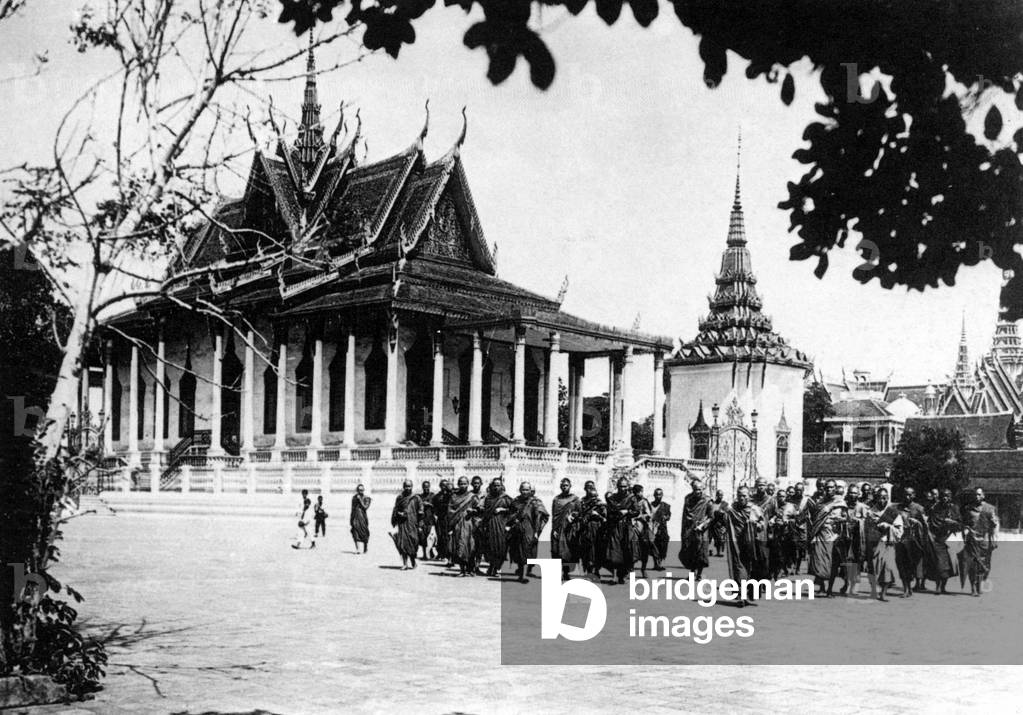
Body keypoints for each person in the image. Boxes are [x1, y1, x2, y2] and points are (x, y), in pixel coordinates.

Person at [715, 485, 768, 607]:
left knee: (752, 568)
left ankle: (750, 593)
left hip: (751, 543)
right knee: (739, 567)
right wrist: (721, 513)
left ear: (748, 496)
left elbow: (762, 523)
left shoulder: (754, 509)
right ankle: (741, 596)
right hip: (736, 542)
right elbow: (723, 518)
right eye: (739, 495)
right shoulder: (733, 508)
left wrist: (756, 525)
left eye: (744, 495)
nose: (741, 498)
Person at [800, 479, 847, 597]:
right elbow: (815, 518)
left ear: (835, 488)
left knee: (833, 563)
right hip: (821, 534)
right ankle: (822, 586)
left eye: (831, 487)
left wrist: (840, 520)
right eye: (827, 488)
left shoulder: (840, 502)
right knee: (820, 561)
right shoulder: (821, 502)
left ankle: (830, 589)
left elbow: (846, 518)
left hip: (835, 536)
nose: (829, 490)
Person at [864, 487, 903, 601]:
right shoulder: (871, 512)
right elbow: (866, 529)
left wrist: (889, 527)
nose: (882, 500)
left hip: (887, 543)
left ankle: (883, 593)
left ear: (888, 498)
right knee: (873, 569)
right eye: (880, 497)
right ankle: (874, 591)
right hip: (874, 544)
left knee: (888, 568)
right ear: (876, 498)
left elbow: (899, 530)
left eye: (884, 498)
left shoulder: (893, 512)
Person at [959, 487, 999, 597]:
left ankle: (979, 584)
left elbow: (995, 525)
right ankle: (973, 588)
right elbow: (965, 524)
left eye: (979, 494)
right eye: (975, 494)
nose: (977, 497)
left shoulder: (990, 509)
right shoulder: (968, 509)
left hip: (985, 541)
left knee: (984, 566)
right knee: (972, 564)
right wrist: (965, 533)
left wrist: (995, 540)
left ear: (983, 495)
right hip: (972, 540)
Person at [507, 482, 549, 583]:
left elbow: (543, 516)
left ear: (530, 491)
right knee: (517, 552)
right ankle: (521, 574)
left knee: (526, 551)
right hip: (517, 530)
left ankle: (524, 574)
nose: (525, 492)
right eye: (523, 490)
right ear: (520, 490)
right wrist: (514, 519)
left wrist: (537, 530)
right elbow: (510, 514)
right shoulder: (516, 501)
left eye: (527, 490)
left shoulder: (535, 502)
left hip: (529, 530)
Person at [604, 476, 642, 584]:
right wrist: (615, 513)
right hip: (615, 526)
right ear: (617, 487)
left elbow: (636, 511)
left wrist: (627, 512)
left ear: (627, 487)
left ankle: (624, 574)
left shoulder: (632, 498)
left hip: (627, 526)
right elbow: (609, 512)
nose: (622, 489)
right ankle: (614, 575)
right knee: (615, 550)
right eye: (620, 486)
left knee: (628, 549)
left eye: (624, 486)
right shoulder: (613, 498)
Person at [835, 484, 868, 595]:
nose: (852, 495)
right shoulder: (843, 506)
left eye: (855, 493)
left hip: (857, 539)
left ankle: (855, 585)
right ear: (847, 494)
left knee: (857, 561)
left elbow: (866, 521)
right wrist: (841, 520)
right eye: (851, 493)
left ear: (858, 494)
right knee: (845, 562)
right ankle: (847, 583)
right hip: (845, 538)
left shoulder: (862, 507)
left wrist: (857, 520)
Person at [678, 480, 714, 580]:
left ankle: (699, 574)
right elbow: (685, 514)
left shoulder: (708, 500)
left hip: (702, 530)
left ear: (703, 489)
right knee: (690, 551)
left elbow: (711, 517)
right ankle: (692, 572)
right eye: (695, 490)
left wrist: (702, 525)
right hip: (690, 529)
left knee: (701, 552)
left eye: (699, 489)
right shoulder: (688, 499)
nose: (698, 492)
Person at [897, 486, 929, 596]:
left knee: (911, 565)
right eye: (905, 494)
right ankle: (906, 588)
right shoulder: (897, 508)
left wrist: (917, 522)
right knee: (901, 564)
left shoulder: (919, 508)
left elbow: (926, 527)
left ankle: (911, 587)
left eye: (910, 494)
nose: (907, 497)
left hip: (914, 542)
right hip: (901, 541)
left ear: (914, 495)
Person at [926, 489, 960, 594]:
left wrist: (952, 522)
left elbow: (960, 522)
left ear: (951, 497)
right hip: (938, 538)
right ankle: (938, 586)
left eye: (948, 496)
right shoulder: (936, 507)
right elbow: (932, 522)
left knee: (948, 565)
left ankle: (943, 586)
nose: (945, 498)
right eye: (943, 496)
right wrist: (942, 524)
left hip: (950, 540)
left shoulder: (954, 508)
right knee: (939, 563)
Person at [571, 481, 607, 577]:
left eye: (591, 487)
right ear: (585, 489)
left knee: (597, 550)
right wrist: (576, 515)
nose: (589, 489)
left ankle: (596, 569)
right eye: (588, 487)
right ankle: (588, 569)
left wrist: (597, 515)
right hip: (584, 529)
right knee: (585, 550)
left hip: (597, 529)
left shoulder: (599, 503)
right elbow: (578, 513)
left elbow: (605, 518)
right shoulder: (581, 501)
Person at [447, 476, 481, 576]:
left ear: (468, 484)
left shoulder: (472, 496)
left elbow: (479, 509)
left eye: (465, 483)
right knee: (460, 545)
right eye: (461, 483)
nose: (463, 485)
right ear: (458, 484)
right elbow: (449, 510)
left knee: (470, 546)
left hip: (469, 524)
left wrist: (473, 511)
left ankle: (470, 569)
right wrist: (456, 515)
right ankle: (462, 570)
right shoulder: (454, 496)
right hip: (457, 524)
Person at [480, 478, 514, 576]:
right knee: (490, 547)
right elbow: (484, 511)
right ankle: (491, 567)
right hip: (490, 525)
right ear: (491, 486)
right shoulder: (488, 498)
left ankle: (495, 568)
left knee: (500, 547)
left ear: (502, 486)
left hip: (501, 525)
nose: (496, 487)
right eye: (494, 485)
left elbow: (514, 510)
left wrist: (502, 510)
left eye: (498, 485)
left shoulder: (506, 498)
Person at [550, 478, 581, 580]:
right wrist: (554, 529)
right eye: (563, 485)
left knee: (568, 552)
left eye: (566, 485)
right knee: (557, 551)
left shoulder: (575, 499)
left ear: (570, 486)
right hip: (558, 528)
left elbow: (580, 512)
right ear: (560, 487)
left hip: (569, 529)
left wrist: (573, 515)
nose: (565, 487)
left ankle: (566, 573)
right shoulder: (556, 499)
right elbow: (554, 516)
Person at [390, 480, 424, 570]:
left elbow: (421, 511)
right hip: (402, 523)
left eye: (409, 486)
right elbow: (395, 509)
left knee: (413, 543)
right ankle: (404, 563)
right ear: (403, 487)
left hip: (413, 524)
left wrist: (420, 525)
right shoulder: (400, 497)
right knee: (402, 544)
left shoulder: (416, 498)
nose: (407, 488)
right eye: (406, 486)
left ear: (412, 487)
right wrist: (398, 514)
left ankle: (413, 561)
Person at [631, 484, 654, 578]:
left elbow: (648, 514)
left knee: (646, 547)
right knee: (631, 547)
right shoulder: (631, 500)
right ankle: (631, 568)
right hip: (632, 526)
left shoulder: (644, 501)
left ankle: (643, 569)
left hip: (642, 528)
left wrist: (640, 516)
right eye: (640, 491)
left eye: (642, 491)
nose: (641, 493)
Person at [649, 488, 672, 571]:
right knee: (654, 545)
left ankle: (660, 563)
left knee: (663, 545)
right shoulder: (650, 505)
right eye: (657, 494)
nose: (658, 496)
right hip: (652, 528)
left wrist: (665, 517)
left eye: (660, 494)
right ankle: (656, 564)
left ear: (662, 495)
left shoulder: (666, 506)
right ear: (654, 495)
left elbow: (669, 516)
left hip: (662, 529)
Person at [432, 479, 453, 566]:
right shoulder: (437, 497)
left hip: (449, 519)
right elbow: (434, 507)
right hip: (440, 519)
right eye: (442, 485)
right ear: (440, 486)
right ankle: (441, 553)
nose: (444, 487)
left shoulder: (451, 495)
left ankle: (449, 556)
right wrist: (435, 515)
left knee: (448, 537)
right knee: (440, 536)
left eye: (446, 485)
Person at [350, 484, 371, 554]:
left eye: (361, 490)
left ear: (363, 490)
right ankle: (358, 549)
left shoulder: (366, 498)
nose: (360, 491)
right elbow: (352, 508)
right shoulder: (354, 498)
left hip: (363, 518)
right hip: (355, 517)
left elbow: (365, 507)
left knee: (364, 533)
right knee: (355, 532)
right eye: (359, 490)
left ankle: (365, 547)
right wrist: (351, 518)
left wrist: (360, 500)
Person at [418, 480, 436, 560]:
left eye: (427, 487)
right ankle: (425, 554)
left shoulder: (433, 496)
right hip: (422, 519)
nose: (426, 489)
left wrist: (429, 504)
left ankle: (431, 552)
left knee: (430, 537)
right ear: (422, 487)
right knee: (422, 537)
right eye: (425, 487)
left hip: (430, 519)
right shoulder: (419, 497)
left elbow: (437, 506)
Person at [710, 489, 728, 557]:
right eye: (719, 495)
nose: (720, 496)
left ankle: (718, 552)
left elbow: (727, 512)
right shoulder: (713, 504)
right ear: (716, 496)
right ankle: (710, 550)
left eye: (721, 495)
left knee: (719, 539)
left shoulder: (724, 504)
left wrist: (722, 512)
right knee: (710, 538)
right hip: (712, 523)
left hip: (720, 524)